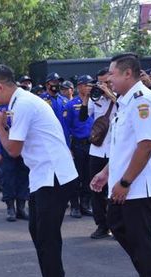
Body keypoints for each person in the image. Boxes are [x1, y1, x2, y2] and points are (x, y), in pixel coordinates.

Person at [0, 64, 78, 277]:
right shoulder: (19, 103)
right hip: (43, 175)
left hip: (55, 175)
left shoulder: (24, 103)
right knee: (39, 230)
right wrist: (3, 125)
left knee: (45, 234)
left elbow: (13, 149)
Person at [90, 53, 151, 277]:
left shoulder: (142, 100)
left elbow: (146, 145)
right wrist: (105, 172)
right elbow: (122, 147)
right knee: (118, 225)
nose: (108, 79)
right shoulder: (125, 102)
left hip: (139, 185)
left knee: (140, 238)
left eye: (112, 73)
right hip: (125, 183)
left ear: (127, 73)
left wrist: (125, 182)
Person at [79, 68, 117, 239]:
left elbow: (124, 108)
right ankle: (101, 225)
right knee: (96, 188)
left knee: (115, 190)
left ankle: (117, 225)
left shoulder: (122, 97)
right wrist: (86, 97)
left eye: (107, 82)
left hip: (116, 151)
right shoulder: (96, 98)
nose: (103, 86)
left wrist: (109, 94)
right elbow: (82, 117)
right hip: (97, 150)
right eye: (100, 82)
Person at [64, 75, 94, 218]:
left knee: (89, 176)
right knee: (76, 177)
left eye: (91, 84)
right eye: (87, 84)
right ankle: (75, 206)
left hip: (93, 144)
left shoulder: (96, 102)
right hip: (77, 145)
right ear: (80, 86)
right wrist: (67, 148)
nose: (89, 87)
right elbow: (65, 128)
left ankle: (85, 204)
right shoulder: (70, 105)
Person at [40, 72, 71, 146]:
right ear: (47, 85)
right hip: (48, 139)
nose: (58, 84)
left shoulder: (65, 100)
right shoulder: (40, 100)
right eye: (54, 82)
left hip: (64, 139)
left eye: (59, 82)